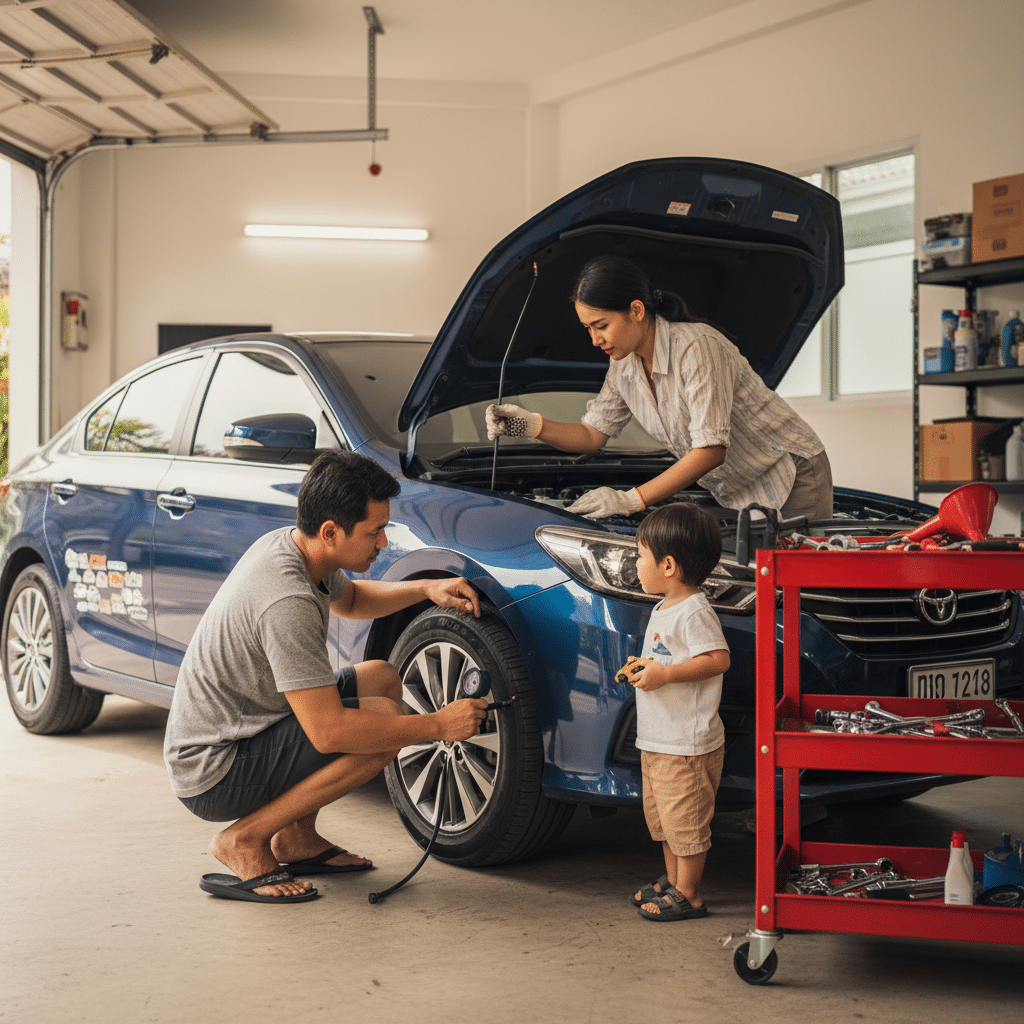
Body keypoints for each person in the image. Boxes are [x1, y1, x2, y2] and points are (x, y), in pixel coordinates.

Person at [163, 449, 488, 903]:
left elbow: (352, 600)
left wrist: (425, 588)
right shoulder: (287, 599)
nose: (382, 544)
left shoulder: (296, 547)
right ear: (331, 531)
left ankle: (296, 839)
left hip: (251, 725)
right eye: (374, 533)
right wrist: (438, 726)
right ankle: (244, 840)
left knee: (379, 678)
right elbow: (328, 731)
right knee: (382, 730)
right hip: (214, 768)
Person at [485, 255, 832, 521]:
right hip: (740, 489)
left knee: (800, 599)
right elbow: (592, 435)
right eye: (587, 328)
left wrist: (631, 499)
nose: (595, 339)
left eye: (601, 325)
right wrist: (529, 425)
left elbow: (711, 450)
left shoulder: (696, 348)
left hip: (790, 475)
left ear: (636, 310)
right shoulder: (623, 365)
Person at [623, 501, 730, 921]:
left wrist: (665, 676)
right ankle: (674, 883)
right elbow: (662, 659)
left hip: (686, 744)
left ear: (668, 565)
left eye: (640, 555)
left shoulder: (694, 611)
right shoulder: (664, 607)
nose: (636, 562)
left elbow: (717, 660)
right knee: (666, 820)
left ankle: (691, 894)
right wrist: (642, 669)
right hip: (660, 740)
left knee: (686, 822)